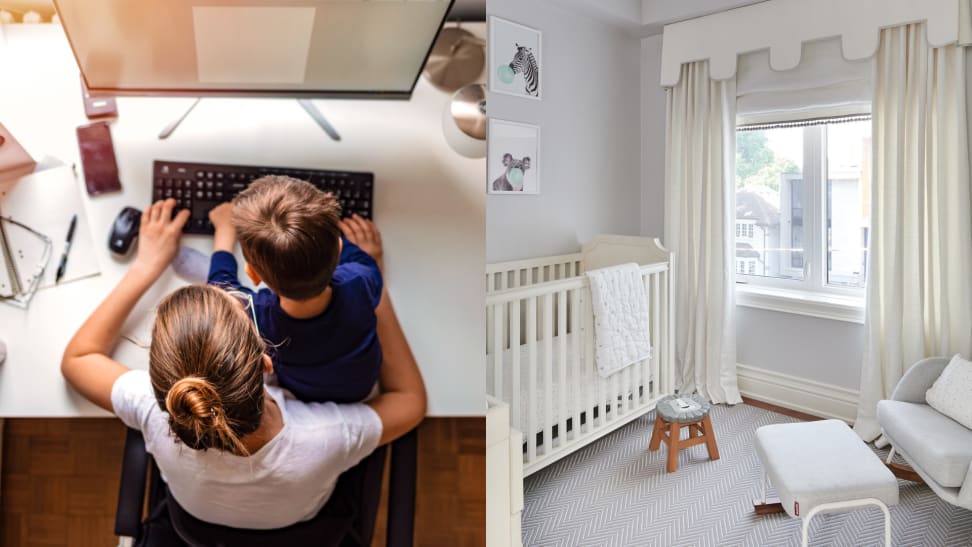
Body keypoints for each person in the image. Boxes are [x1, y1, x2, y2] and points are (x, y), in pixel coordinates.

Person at [61, 198, 426, 530]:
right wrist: (373, 292)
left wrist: (146, 265)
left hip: (196, 523)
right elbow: (410, 401)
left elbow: (77, 359)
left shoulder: (158, 412)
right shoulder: (325, 436)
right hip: (301, 523)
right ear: (268, 363)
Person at [206, 177, 383, 404]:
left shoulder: (257, 318)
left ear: (253, 274)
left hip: (303, 392)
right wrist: (361, 251)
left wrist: (223, 233)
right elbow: (355, 258)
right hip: (360, 386)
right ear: (339, 250)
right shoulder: (362, 278)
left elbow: (221, 290)